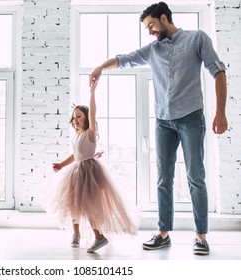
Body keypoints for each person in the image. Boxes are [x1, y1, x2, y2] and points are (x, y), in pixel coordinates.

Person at [89, 2, 227, 256]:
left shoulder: (197, 38)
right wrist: (100, 67)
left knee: (196, 177)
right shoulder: (153, 50)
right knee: (164, 178)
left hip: (191, 118)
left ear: (164, 18)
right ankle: (163, 234)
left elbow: (218, 72)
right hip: (163, 121)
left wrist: (220, 112)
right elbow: (124, 59)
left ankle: (201, 236)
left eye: (151, 25)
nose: (150, 31)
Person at [51, 79, 138, 253]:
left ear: (87, 119)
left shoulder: (90, 133)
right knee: (72, 203)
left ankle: (99, 237)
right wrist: (62, 164)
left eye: (79, 117)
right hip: (76, 171)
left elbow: (93, 113)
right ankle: (76, 234)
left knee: (87, 205)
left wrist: (92, 92)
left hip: (88, 172)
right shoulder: (76, 136)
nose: (75, 120)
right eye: (74, 117)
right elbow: (76, 155)